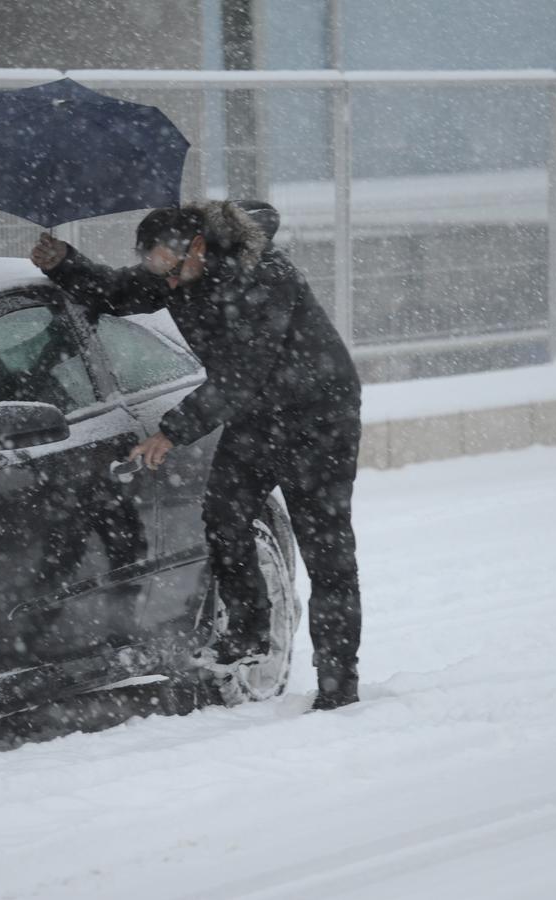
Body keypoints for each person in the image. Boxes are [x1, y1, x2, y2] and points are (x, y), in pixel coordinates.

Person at [29, 200, 363, 710]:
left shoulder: (264, 276)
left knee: (328, 553)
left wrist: (171, 431)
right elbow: (116, 293)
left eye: (166, 263)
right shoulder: (174, 276)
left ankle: (339, 683)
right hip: (256, 418)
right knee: (224, 520)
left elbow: (242, 369)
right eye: (153, 265)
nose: (160, 278)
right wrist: (63, 262)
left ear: (198, 248)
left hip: (317, 419)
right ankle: (249, 632)